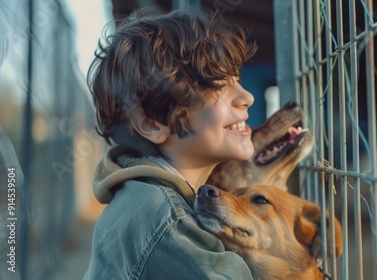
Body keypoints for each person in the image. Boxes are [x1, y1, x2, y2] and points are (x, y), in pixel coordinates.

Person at [83, 9, 256, 279]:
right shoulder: (167, 223)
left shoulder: (142, 198)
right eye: (218, 84)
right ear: (152, 122)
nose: (247, 97)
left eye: (237, 79)